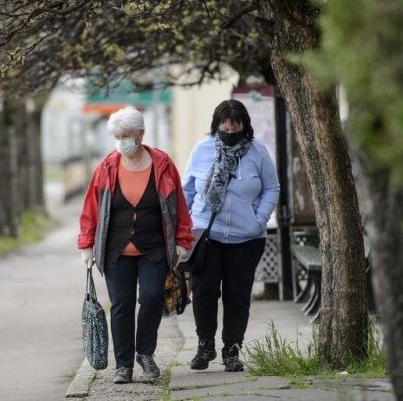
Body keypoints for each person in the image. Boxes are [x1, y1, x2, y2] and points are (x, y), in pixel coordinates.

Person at [77, 106, 194, 384]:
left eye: (126, 135)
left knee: (152, 298)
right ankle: (124, 365)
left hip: (154, 248)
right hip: (116, 251)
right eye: (117, 136)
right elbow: (91, 209)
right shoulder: (106, 167)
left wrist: (182, 240)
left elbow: (178, 206)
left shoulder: (162, 165)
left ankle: (145, 352)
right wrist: (86, 245)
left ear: (141, 134)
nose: (121, 141)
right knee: (121, 305)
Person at [181, 99, 280, 372]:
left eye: (236, 122)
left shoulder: (258, 153)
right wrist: (189, 224)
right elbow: (186, 191)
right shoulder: (201, 150)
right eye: (225, 122)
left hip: (247, 239)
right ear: (216, 124)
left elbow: (272, 187)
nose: (230, 127)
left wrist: (258, 220)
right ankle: (205, 346)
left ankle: (232, 351)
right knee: (204, 292)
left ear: (244, 125)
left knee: (238, 296)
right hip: (206, 236)